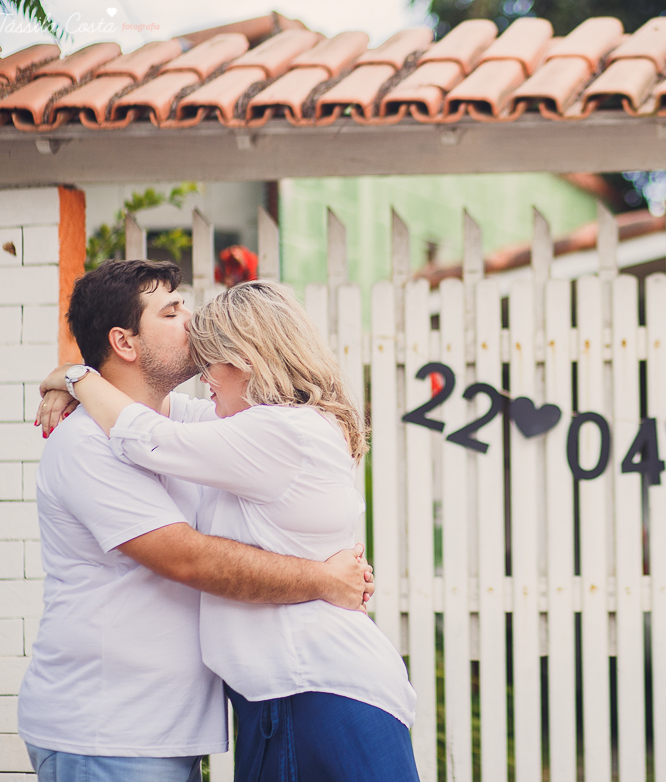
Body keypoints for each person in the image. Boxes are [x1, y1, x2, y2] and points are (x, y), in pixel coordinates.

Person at [41, 278, 418, 782]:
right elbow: (153, 425)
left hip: (310, 685)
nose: (198, 352)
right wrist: (70, 379)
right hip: (279, 693)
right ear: (123, 341)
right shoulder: (254, 425)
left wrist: (77, 378)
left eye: (212, 360)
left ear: (246, 362)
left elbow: (148, 437)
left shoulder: (275, 431)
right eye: (173, 312)